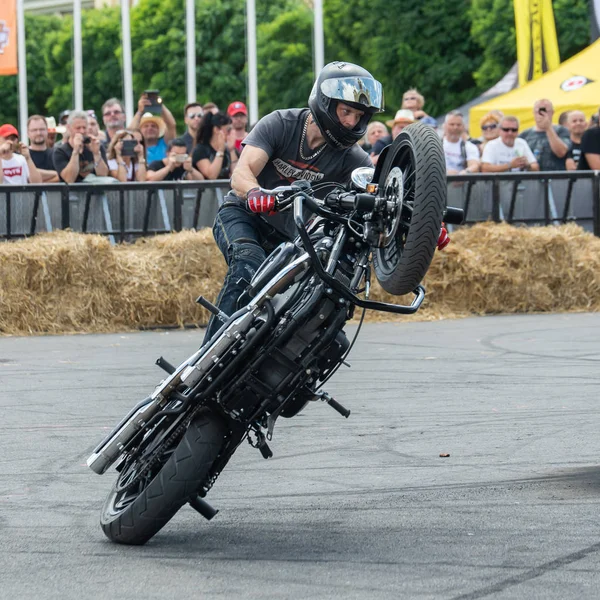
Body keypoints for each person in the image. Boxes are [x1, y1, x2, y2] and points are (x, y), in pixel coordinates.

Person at [205, 61, 447, 340]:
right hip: (244, 216)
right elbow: (242, 173)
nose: (351, 122)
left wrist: (422, 222)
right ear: (325, 102)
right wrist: (257, 194)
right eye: (346, 112)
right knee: (248, 264)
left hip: (290, 238)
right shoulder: (280, 124)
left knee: (313, 305)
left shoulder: (354, 158)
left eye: (359, 116)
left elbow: (378, 200)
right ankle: (203, 364)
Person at [52, 111, 109, 183]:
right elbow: (69, 179)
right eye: (78, 128)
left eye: (84, 127)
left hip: (95, 191)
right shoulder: (60, 151)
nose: (82, 131)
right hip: (72, 192)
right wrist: (75, 151)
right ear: (69, 128)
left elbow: (103, 175)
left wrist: (96, 154)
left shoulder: (97, 146)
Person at [518, 99, 570, 170]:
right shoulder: (525, 134)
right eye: (538, 111)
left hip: (556, 177)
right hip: (531, 178)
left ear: (552, 112)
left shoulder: (562, 131)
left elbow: (561, 153)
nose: (541, 114)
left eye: (545, 111)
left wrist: (548, 128)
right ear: (533, 113)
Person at [129, 93, 177, 161]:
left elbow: (171, 125)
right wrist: (140, 111)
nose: (150, 128)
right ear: (140, 131)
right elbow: (130, 131)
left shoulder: (166, 143)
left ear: (158, 130)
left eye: (153, 126)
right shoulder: (136, 146)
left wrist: (158, 104)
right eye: (146, 126)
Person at [192, 111, 236, 180]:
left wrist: (232, 150)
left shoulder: (228, 149)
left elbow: (236, 175)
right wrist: (220, 151)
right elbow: (212, 175)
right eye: (228, 130)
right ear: (216, 129)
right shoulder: (200, 150)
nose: (231, 133)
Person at [27, 115, 59, 182]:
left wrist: (41, 184)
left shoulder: (57, 154)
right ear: (28, 133)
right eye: (34, 130)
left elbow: (63, 176)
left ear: (47, 131)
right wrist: (55, 174)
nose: (38, 133)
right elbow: (25, 175)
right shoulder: (22, 156)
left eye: (42, 129)